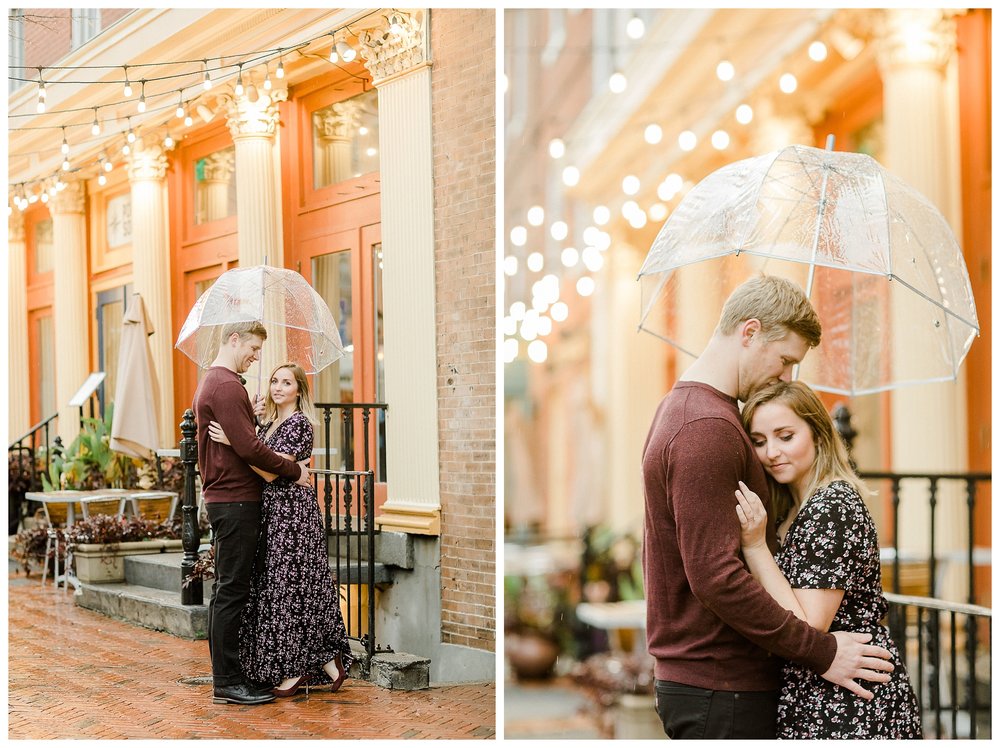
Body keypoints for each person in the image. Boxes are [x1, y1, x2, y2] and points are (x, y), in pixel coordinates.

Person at [641, 275, 894, 740]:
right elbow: (716, 577)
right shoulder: (705, 427)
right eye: (785, 361)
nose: (787, 378)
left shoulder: (693, 412)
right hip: (720, 685)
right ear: (750, 332)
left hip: (720, 683)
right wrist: (821, 652)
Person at [735, 381, 921, 738]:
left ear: (818, 435)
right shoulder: (789, 510)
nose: (771, 452)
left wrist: (756, 547)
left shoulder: (832, 505)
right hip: (815, 687)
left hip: (851, 697)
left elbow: (810, 623)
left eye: (785, 436)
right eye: (758, 441)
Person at [209, 362, 352, 698]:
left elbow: (272, 472)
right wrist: (252, 423)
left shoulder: (300, 424)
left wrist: (234, 441)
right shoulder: (273, 422)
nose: (277, 387)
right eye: (274, 381)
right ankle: (329, 662)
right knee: (287, 589)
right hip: (274, 513)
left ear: (299, 390)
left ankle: (297, 669)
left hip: (293, 516)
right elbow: (265, 455)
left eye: (286, 382)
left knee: (290, 589)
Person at [193, 321, 312, 706]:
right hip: (235, 500)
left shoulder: (219, 384)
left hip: (228, 498)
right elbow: (250, 449)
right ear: (234, 340)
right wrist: (296, 472)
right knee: (232, 592)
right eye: (254, 348)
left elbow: (244, 439)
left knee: (229, 590)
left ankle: (230, 675)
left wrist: (251, 416)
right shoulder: (226, 385)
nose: (256, 356)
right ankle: (227, 681)